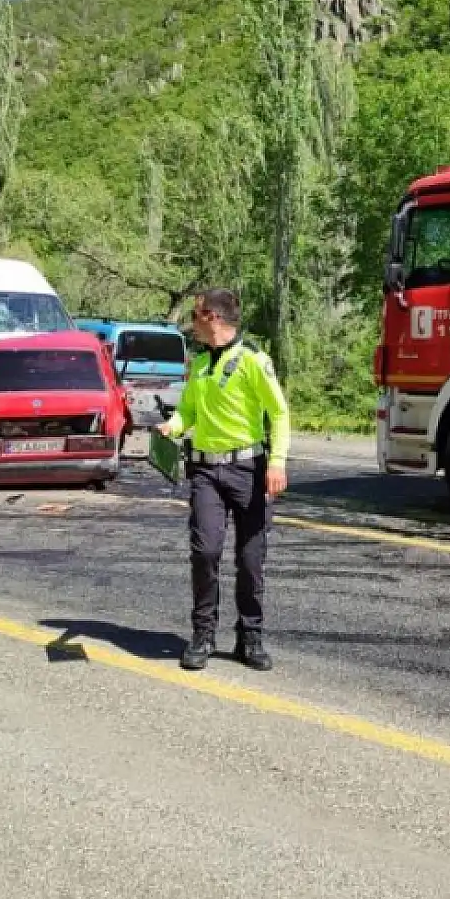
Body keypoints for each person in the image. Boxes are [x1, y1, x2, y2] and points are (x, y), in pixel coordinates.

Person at [157, 287, 290, 672]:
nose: (191, 323)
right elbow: (188, 412)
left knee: (250, 560)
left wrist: (277, 463)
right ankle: (203, 634)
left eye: (195, 315)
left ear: (212, 317)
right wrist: (173, 426)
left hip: (248, 471)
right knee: (205, 552)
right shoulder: (198, 364)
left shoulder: (253, 361)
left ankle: (250, 637)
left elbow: (278, 414)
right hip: (205, 473)